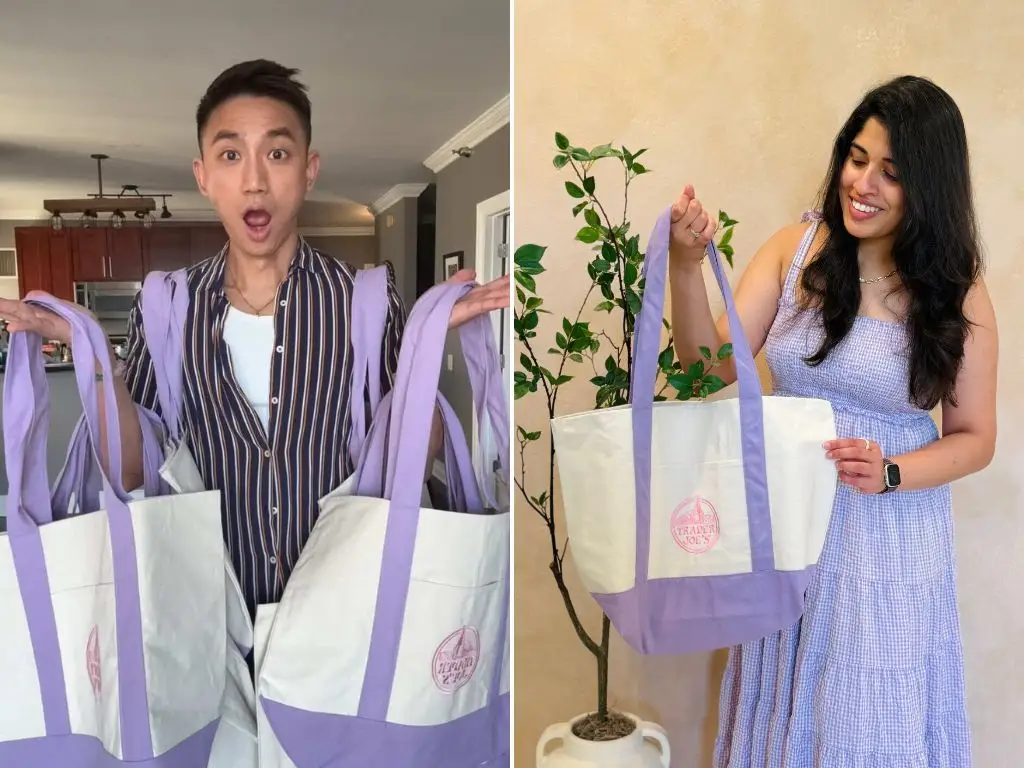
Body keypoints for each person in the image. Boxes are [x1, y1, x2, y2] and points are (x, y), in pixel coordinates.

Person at [0, 59, 509, 622]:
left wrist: (424, 347)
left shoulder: (365, 299)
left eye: (278, 153)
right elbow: (131, 472)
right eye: (230, 155)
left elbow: (409, 462)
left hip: (342, 616)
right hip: (202, 622)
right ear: (203, 176)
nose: (255, 181)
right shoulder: (166, 307)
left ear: (309, 170)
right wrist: (95, 352)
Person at [667, 75, 997, 766]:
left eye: (891, 173)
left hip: (886, 534)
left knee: (863, 718)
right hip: (788, 519)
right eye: (856, 158)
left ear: (929, 187)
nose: (862, 184)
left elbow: (976, 439)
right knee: (784, 698)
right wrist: (686, 268)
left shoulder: (955, 290)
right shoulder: (796, 251)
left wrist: (891, 471)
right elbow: (706, 371)